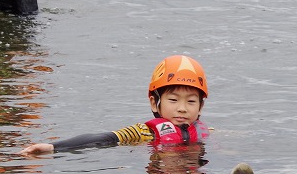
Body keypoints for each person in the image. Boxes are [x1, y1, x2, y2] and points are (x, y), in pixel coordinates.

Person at [22, 55, 210, 155]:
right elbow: (104, 138)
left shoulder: (202, 130)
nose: (182, 108)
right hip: (162, 173)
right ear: (155, 103)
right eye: (173, 100)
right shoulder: (144, 132)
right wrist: (53, 147)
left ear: (200, 107)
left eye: (191, 101)